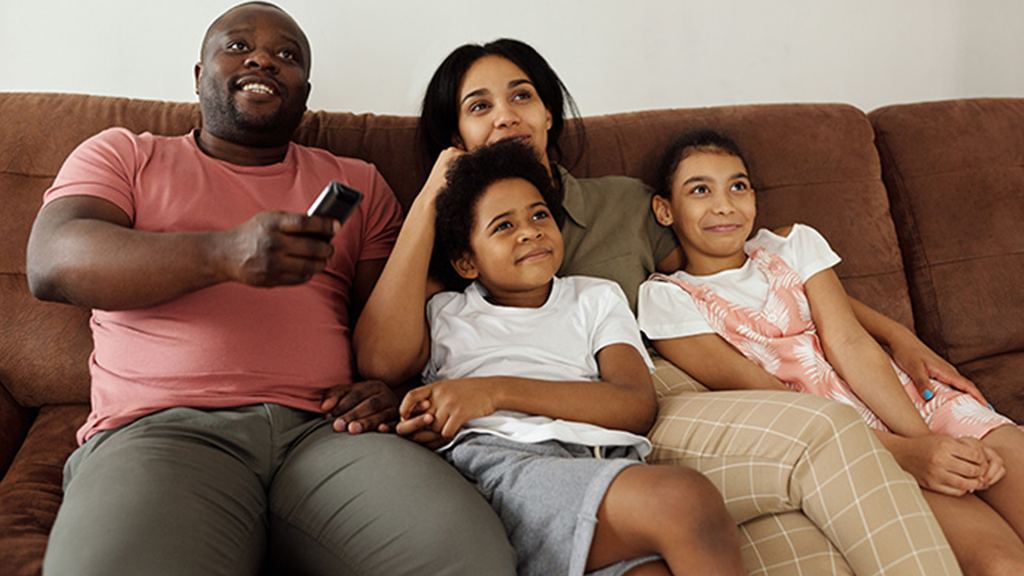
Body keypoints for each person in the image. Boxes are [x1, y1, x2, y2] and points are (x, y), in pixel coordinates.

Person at [354, 38, 962, 575]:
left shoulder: (624, 203)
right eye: (479, 106)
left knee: (811, 512)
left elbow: (751, 265)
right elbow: (384, 359)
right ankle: (898, 459)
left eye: (522, 95)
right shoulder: (454, 245)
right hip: (562, 436)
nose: (506, 115)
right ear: (455, 135)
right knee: (807, 497)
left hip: (662, 386)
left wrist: (893, 333)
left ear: (548, 112)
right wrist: (437, 189)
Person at [26, 3, 515, 575]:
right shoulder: (126, 155)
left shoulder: (356, 182)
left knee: (468, 559)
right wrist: (224, 253)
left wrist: (388, 384)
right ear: (197, 76)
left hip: (330, 432)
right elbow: (52, 261)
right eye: (237, 46)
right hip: (163, 432)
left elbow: (387, 326)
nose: (262, 58)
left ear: (304, 96)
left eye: (287, 56)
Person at [639, 128, 1024, 575]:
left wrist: (928, 442)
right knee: (1003, 565)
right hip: (852, 451)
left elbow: (851, 344)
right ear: (665, 210)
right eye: (700, 190)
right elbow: (771, 400)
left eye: (738, 186)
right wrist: (908, 455)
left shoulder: (790, 245)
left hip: (915, 406)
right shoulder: (668, 300)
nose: (724, 204)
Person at [405, 138, 745, 575]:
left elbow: (636, 406)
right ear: (467, 262)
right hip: (507, 466)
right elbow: (381, 360)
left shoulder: (595, 297)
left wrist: (492, 392)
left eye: (539, 215)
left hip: (602, 459)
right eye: (503, 227)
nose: (529, 230)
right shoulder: (447, 312)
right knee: (684, 500)